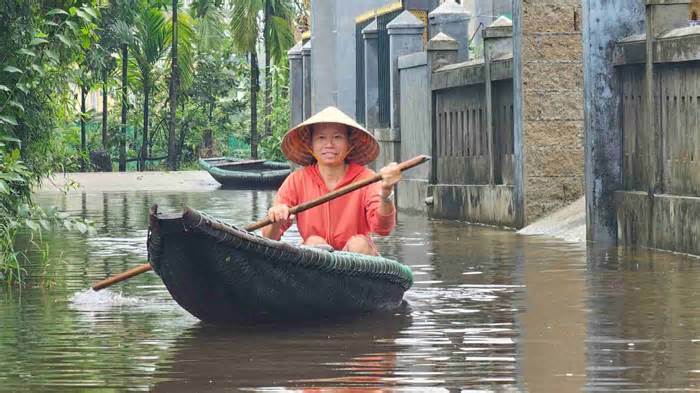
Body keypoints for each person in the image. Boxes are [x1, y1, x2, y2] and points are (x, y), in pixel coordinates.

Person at [261, 106, 401, 256]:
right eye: (321, 138)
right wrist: (275, 218)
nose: (329, 145)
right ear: (311, 146)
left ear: (349, 144)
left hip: (359, 261)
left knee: (358, 243)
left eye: (337, 137)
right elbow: (269, 238)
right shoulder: (297, 180)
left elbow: (383, 229)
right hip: (317, 263)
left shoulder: (366, 179)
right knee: (313, 242)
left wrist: (386, 194)